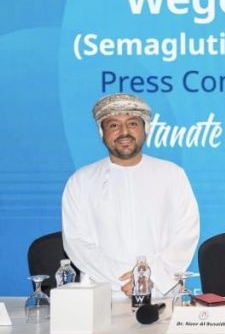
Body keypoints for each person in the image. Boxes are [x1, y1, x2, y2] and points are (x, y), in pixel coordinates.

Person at [61, 93, 200, 297]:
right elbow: (77, 243)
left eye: (133, 123)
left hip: (160, 290)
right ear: (102, 132)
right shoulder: (80, 181)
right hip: (103, 294)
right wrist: (127, 279)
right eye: (114, 125)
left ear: (146, 129)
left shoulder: (172, 175)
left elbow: (184, 234)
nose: (124, 132)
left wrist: (151, 277)